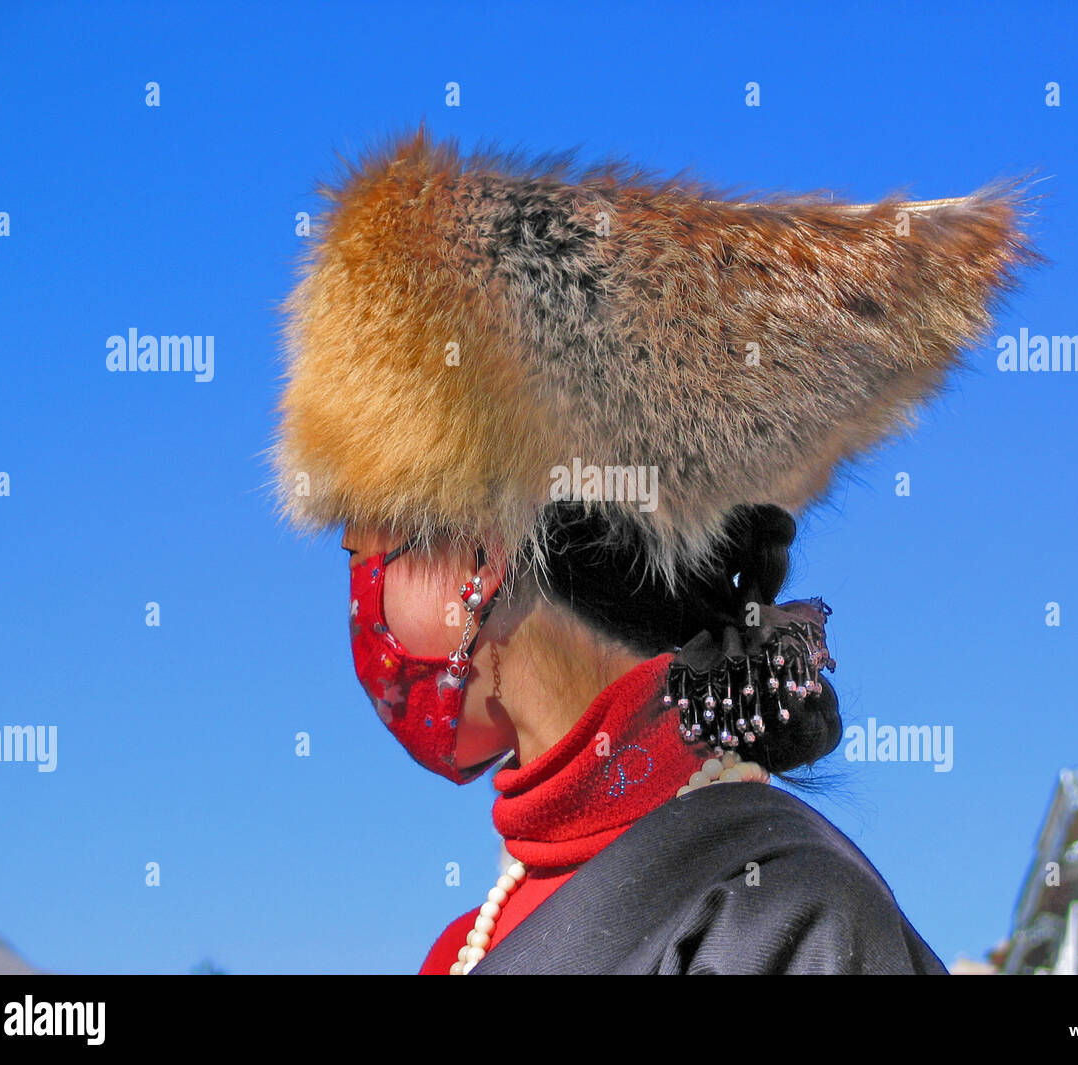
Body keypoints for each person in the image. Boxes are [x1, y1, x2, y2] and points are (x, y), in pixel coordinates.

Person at [272, 121, 1037, 974]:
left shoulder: (779, 915)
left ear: (482, 550)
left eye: (363, 551)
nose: (359, 600)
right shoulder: (464, 946)